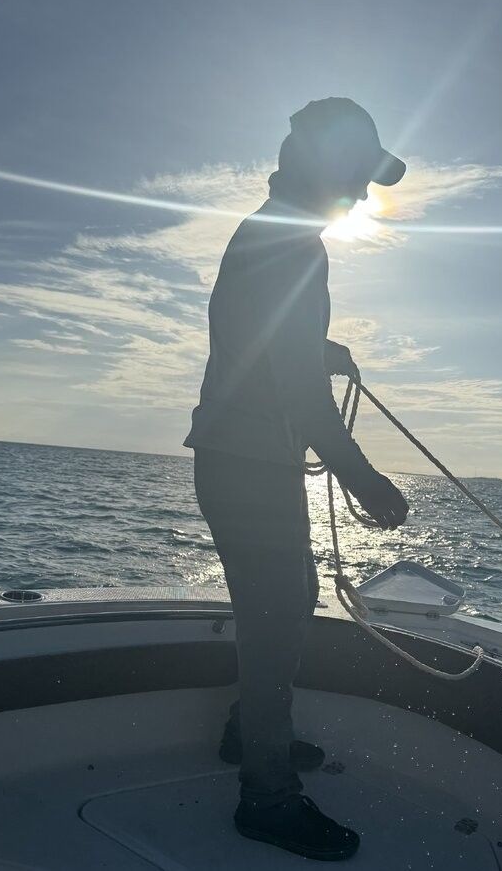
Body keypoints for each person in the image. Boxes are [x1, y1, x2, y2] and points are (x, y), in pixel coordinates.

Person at [184, 97, 409, 861]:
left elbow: (272, 344)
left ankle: (249, 735)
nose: (363, 197)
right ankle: (267, 798)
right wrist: (366, 481)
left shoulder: (274, 237)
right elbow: (299, 395)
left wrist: (320, 344)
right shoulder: (292, 247)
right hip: (248, 464)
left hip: (241, 460)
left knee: (289, 603)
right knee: (278, 620)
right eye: (358, 178)